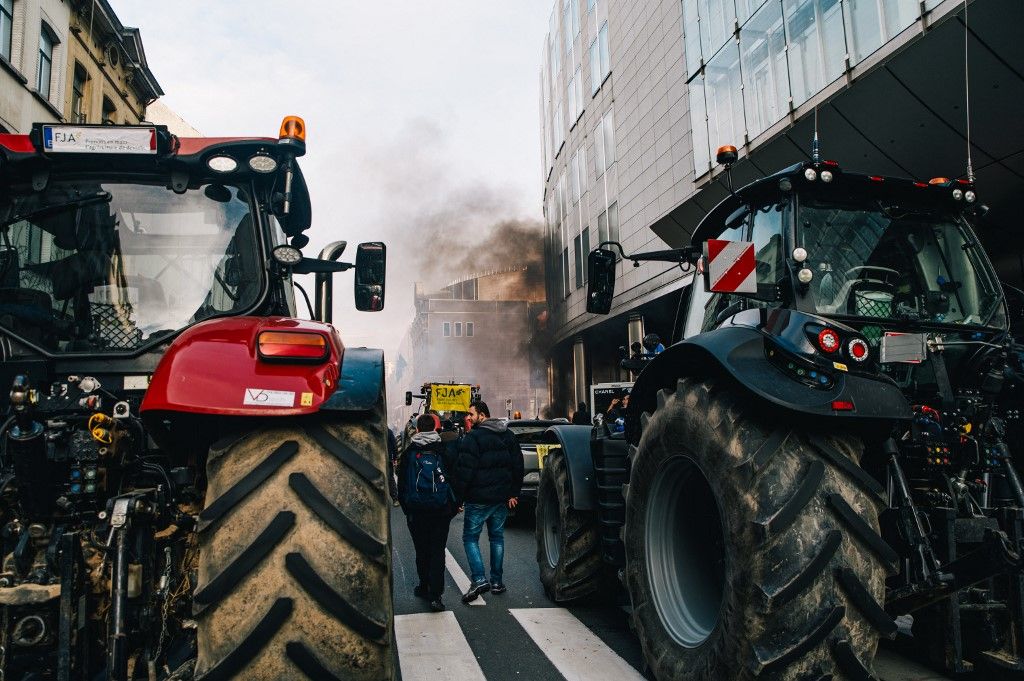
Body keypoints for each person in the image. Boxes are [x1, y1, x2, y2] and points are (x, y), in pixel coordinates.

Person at [453, 400, 523, 603]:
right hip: (501, 498)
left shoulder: (473, 438)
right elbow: (517, 464)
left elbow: (464, 471)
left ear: (482, 415)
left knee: (470, 538)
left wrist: (458, 499)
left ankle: (479, 579)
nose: (468, 417)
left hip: (478, 499)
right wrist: (513, 493)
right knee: (497, 538)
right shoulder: (507, 435)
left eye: (471, 414)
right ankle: (496, 583)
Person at [397, 413, 459, 612]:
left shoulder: (409, 452)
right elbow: (454, 479)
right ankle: (436, 596)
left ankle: (424, 586)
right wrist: (452, 506)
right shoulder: (443, 450)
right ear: (435, 428)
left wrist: (407, 509)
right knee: (437, 551)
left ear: (417, 429)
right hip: (440, 511)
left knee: (421, 550)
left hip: (416, 511)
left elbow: (403, 484)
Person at [387, 427, 400, 507]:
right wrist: (395, 458)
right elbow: (394, 445)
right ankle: (395, 499)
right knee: (390, 478)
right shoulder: (388, 431)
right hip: (388, 459)